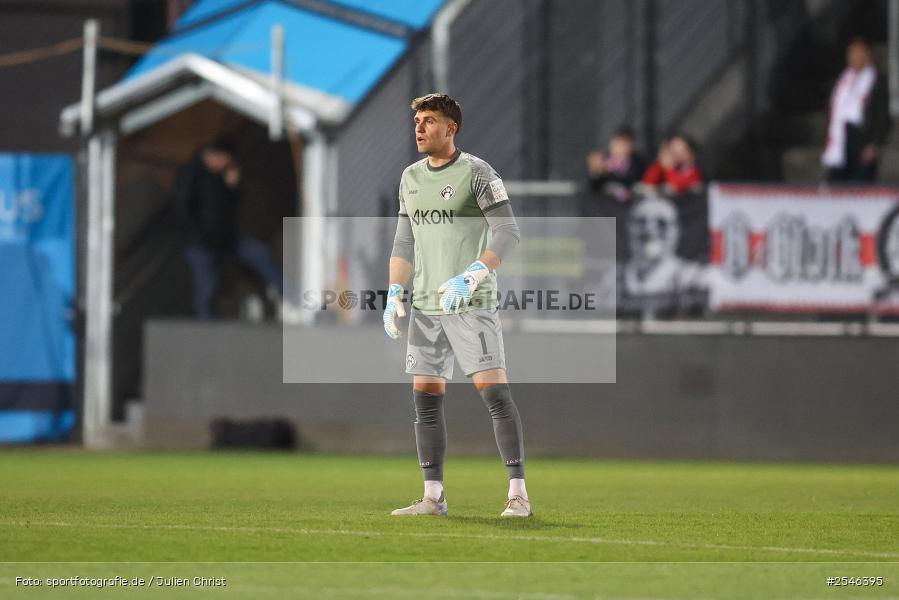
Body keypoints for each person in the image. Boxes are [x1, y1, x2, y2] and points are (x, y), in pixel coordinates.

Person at [382, 93, 529, 518]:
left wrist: (473, 275)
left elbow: (508, 233)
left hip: (470, 301)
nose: (420, 128)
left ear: (451, 128)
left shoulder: (477, 173)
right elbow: (404, 241)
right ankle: (433, 497)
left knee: (495, 393)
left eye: (429, 121)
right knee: (425, 400)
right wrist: (394, 293)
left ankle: (518, 494)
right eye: (417, 121)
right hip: (427, 306)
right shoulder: (410, 178)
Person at [172, 140, 283, 319]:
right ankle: (206, 330)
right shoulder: (190, 173)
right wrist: (199, 235)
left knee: (259, 254)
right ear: (213, 155)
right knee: (207, 287)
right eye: (225, 159)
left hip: (226, 238)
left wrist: (233, 187)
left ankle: (292, 296)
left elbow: (229, 208)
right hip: (200, 242)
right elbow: (181, 208)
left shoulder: (221, 176)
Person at [821, 37, 892, 182]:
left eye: (859, 53)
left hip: (862, 138)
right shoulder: (841, 81)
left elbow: (883, 117)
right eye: (851, 53)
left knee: (859, 184)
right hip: (841, 140)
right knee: (836, 184)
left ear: (867, 55)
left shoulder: (877, 82)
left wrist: (874, 144)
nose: (854, 57)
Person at [586, 126, 646, 202]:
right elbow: (594, 186)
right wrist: (596, 172)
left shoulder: (637, 162)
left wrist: (607, 172)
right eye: (616, 143)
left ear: (632, 146)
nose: (619, 148)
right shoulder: (604, 160)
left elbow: (630, 181)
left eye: (623, 145)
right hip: (604, 205)